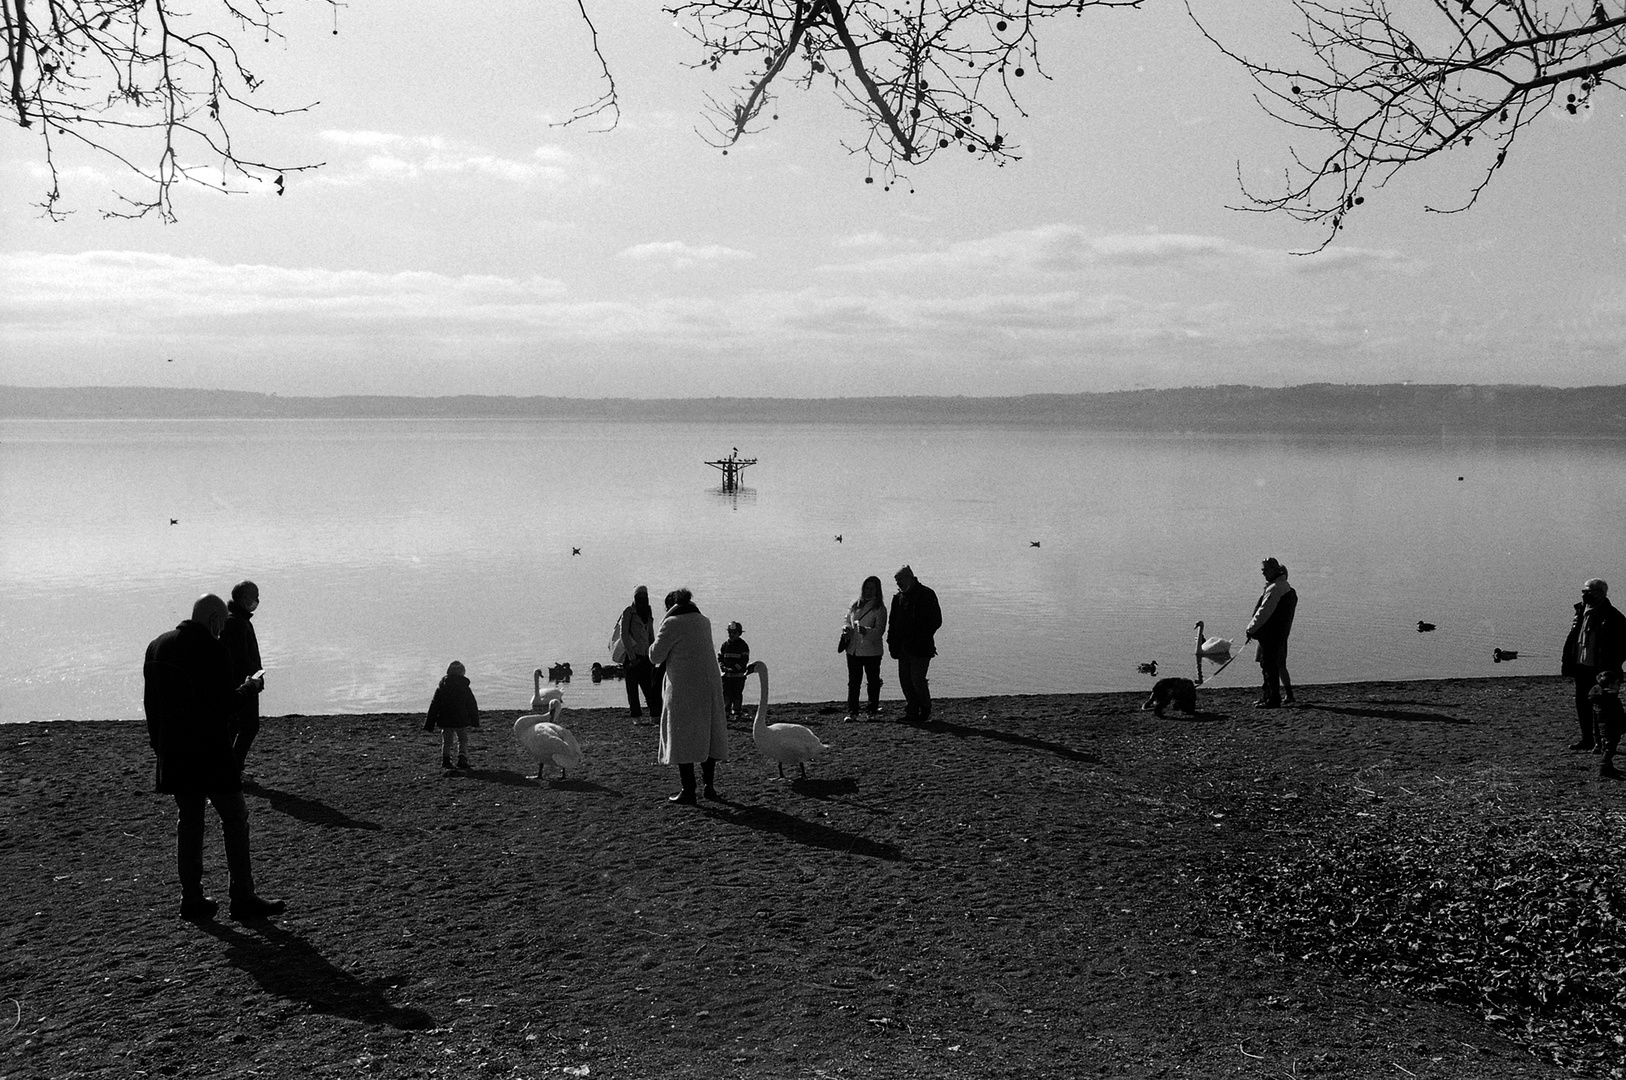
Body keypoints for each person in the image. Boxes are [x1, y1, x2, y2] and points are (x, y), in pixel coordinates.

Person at [144, 593, 284, 922]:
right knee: (235, 818)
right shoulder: (213, 649)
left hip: (175, 752)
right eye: (220, 625)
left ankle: (191, 899)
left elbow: (151, 705)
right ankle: (243, 896)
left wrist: (158, 745)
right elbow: (223, 706)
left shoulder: (156, 647)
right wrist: (250, 687)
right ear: (214, 621)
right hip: (210, 752)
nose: (222, 631)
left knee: (189, 823)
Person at [649, 588, 729, 804]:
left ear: (670, 607)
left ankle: (688, 790)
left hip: (684, 687)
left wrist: (657, 632)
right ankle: (709, 787)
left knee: (682, 736)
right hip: (709, 684)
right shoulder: (704, 621)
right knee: (707, 734)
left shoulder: (671, 623)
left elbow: (656, 656)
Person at [1561, 578, 1626, 751]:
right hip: (1581, 666)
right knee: (1582, 704)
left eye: (1588, 591)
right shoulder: (1581, 612)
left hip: (1600, 671)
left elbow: (1622, 646)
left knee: (1602, 709)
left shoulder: (1613, 616)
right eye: (1583, 591)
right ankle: (1587, 739)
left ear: (1601, 593)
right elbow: (1574, 639)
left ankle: (1603, 742)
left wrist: (1610, 668)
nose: (1584, 594)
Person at [887, 565, 942, 724]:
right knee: (905, 680)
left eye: (900, 580)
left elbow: (936, 621)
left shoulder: (926, 594)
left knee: (917, 679)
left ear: (910, 577)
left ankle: (924, 709)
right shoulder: (898, 598)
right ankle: (912, 710)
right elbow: (892, 623)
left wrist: (920, 636)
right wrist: (892, 643)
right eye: (897, 581)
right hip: (903, 647)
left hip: (921, 647)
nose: (898, 584)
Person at [220, 580, 264, 770]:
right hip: (244, 684)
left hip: (240, 684)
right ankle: (234, 766)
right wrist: (254, 680)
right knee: (249, 726)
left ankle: (228, 764)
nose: (257, 601)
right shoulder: (236, 622)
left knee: (235, 726)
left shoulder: (235, 619)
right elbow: (240, 659)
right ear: (245, 598)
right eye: (255, 597)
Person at [1244, 557, 1298, 709]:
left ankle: (1273, 699)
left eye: (1265, 570)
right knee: (1267, 665)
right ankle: (1268, 696)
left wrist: (1250, 629)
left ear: (1274, 570)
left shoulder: (1276, 589)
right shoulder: (1281, 587)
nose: (1263, 573)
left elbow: (1264, 612)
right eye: (1263, 570)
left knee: (1270, 666)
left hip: (1272, 634)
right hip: (1274, 634)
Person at [843, 575, 887, 721]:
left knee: (873, 682)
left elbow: (880, 631)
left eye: (872, 588)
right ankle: (852, 711)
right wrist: (846, 628)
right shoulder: (855, 605)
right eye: (866, 588)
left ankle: (872, 710)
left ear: (877, 590)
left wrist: (866, 631)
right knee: (854, 682)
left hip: (872, 651)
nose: (869, 591)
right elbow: (847, 619)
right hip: (853, 649)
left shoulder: (880, 608)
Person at [424, 660, 479, 770]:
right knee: (463, 739)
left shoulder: (442, 687)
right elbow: (472, 704)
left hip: (446, 719)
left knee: (447, 741)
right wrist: (475, 720)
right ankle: (462, 758)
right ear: (462, 672)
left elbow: (434, 705)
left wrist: (430, 723)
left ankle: (446, 759)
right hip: (461, 719)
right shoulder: (465, 687)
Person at [620, 586, 662, 721]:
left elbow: (650, 634)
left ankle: (654, 715)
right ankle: (636, 717)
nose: (642, 598)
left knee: (650, 688)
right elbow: (624, 635)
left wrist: (653, 654)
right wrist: (631, 656)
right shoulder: (628, 612)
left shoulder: (648, 612)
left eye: (645, 595)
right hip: (632, 656)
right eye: (640, 595)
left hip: (646, 656)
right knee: (632, 690)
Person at [718, 621, 751, 720]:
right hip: (726, 676)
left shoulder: (743, 646)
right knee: (726, 694)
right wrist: (723, 667)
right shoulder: (724, 646)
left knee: (737, 694)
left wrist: (734, 669)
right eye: (730, 632)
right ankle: (726, 712)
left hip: (738, 677)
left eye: (734, 633)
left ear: (739, 634)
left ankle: (737, 712)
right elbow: (720, 658)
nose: (731, 635)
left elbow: (744, 660)